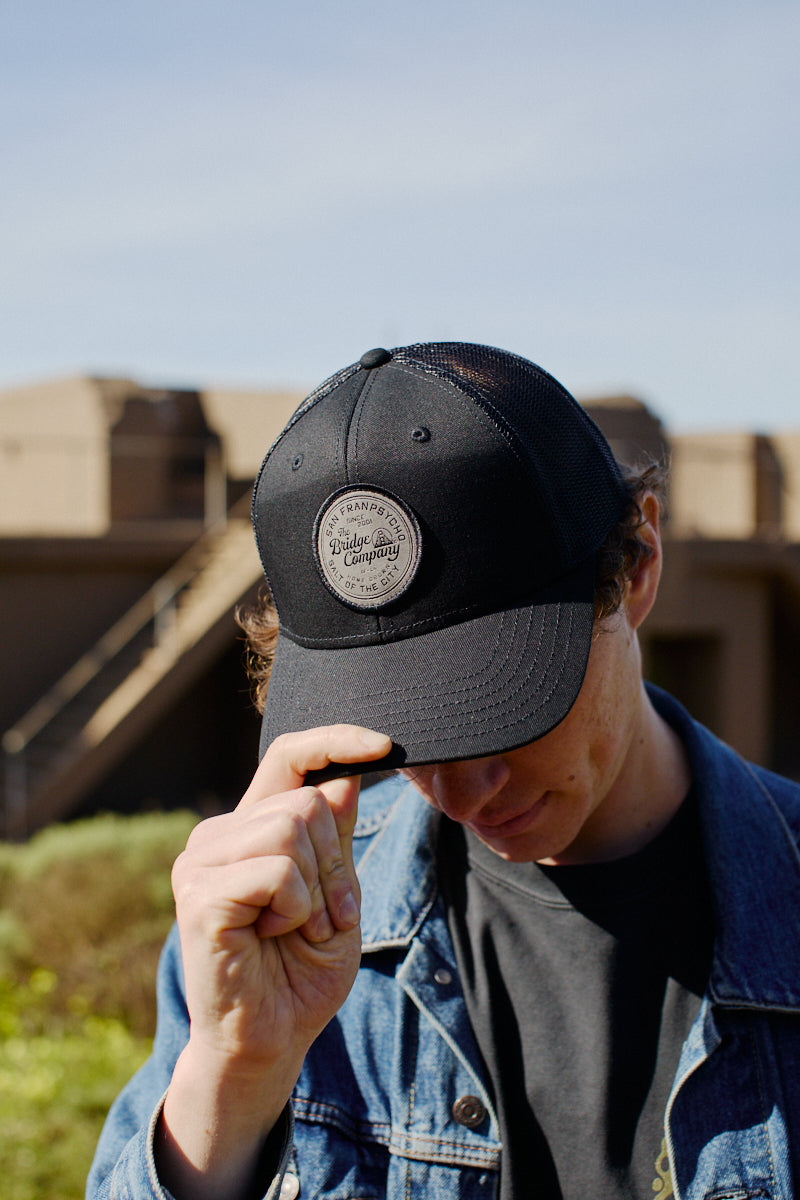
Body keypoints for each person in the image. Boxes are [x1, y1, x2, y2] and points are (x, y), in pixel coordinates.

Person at [87, 343, 800, 1200]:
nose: (460, 794)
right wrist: (233, 1083)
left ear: (639, 564)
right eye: (403, 738)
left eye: (503, 713)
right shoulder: (272, 933)